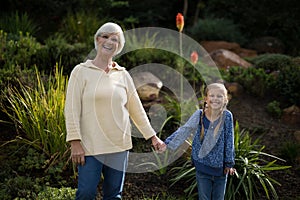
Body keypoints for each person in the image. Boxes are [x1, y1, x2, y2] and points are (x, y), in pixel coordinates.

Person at [64, 22, 166, 200]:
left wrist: (152, 136)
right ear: (97, 40)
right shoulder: (80, 72)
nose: (109, 41)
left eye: (115, 39)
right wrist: (74, 141)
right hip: (90, 146)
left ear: (119, 46)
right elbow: (71, 108)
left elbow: (136, 109)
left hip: (119, 146)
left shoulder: (123, 74)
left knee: (114, 195)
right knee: (86, 193)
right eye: (105, 36)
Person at [164, 83, 235, 200]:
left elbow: (229, 140)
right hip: (202, 167)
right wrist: (168, 143)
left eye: (219, 96)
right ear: (206, 99)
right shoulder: (199, 115)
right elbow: (184, 130)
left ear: (225, 100)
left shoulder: (227, 116)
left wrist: (229, 163)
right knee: (204, 197)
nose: (215, 99)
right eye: (212, 96)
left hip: (220, 169)